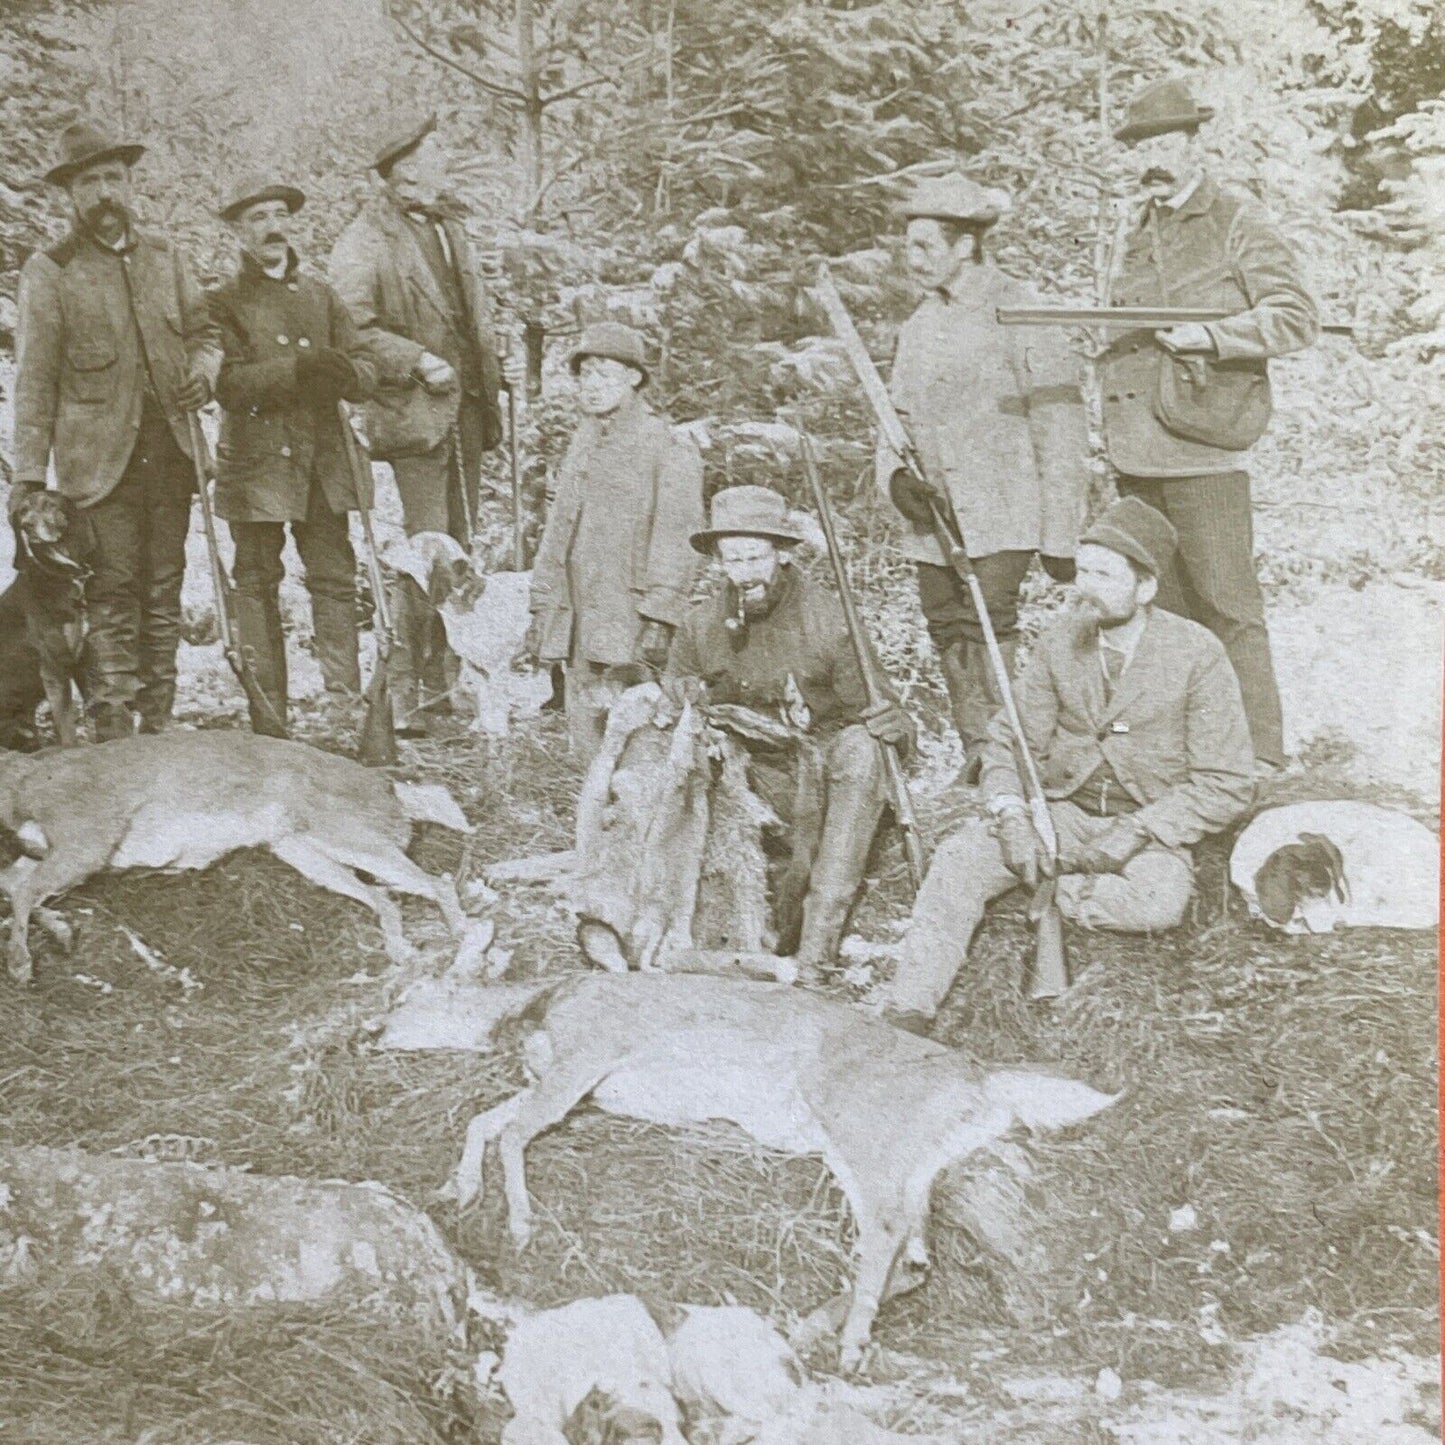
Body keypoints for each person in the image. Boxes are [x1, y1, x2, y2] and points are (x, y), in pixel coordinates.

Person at [880, 496, 1255, 1032]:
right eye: (1083, 571)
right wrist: (1010, 815)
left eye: (1104, 574)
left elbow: (1227, 781)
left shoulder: (1198, 654)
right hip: (1058, 812)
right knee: (959, 860)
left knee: (1157, 901)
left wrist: (1140, 829)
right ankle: (909, 1009)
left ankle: (1048, 890)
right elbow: (1009, 741)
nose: (1086, 586)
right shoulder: (1060, 642)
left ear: (1145, 588)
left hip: (1145, 828)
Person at [1102, 77, 1319, 775]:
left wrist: (1210, 336)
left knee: (1228, 607)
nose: (1153, 158)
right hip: (1136, 452)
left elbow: (1293, 316)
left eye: (1165, 141)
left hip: (1202, 450)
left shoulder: (1234, 217)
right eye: (1141, 146)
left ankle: (1258, 758)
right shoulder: (1136, 228)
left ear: (1194, 141)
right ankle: (1186, 756)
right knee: (1161, 614)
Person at [10, 121, 221, 741]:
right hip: (97, 467)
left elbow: (205, 333)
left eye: (114, 178)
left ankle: (156, 723)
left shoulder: (168, 257)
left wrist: (205, 373)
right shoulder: (51, 271)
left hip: (171, 451)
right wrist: (27, 474)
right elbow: (35, 381)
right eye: (90, 181)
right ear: (69, 194)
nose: (105, 192)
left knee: (164, 591)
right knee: (110, 594)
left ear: (130, 185)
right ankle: (112, 728)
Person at [879, 171, 1087, 782]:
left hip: (1003, 513)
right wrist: (894, 480)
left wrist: (1061, 536)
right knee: (946, 627)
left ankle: (1016, 757)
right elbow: (892, 418)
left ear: (965, 244)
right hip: (932, 516)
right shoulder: (918, 326)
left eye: (925, 245)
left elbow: (1061, 425)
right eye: (907, 245)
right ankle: (980, 754)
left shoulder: (1021, 310)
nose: (911, 259)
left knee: (987, 627)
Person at [667, 485, 917, 972]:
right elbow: (676, 683)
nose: (742, 575)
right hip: (746, 777)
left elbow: (888, 718)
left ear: (781, 553)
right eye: (731, 561)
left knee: (864, 750)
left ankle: (817, 946)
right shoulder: (701, 624)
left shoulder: (828, 619)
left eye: (754, 559)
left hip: (820, 775)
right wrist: (682, 695)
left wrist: (894, 723)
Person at [209, 174, 377, 735]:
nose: (272, 227)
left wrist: (348, 373)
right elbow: (226, 384)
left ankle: (344, 707)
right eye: (257, 218)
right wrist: (297, 370)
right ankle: (269, 715)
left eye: (279, 214)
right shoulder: (222, 301)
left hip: (324, 464)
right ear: (237, 230)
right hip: (258, 466)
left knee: (334, 577)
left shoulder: (321, 294)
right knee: (256, 582)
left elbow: (365, 366)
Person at [524, 322, 704, 760]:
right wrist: (542, 599)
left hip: (631, 617)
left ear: (634, 378)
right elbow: (559, 530)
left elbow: (678, 539)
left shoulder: (666, 445)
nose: (591, 385)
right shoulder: (584, 441)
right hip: (578, 614)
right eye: (584, 374)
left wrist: (660, 616)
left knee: (638, 733)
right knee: (586, 735)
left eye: (604, 373)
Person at [328, 112, 506, 544]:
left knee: (461, 543)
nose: (448, 157)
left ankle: (447, 616)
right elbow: (350, 328)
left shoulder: (450, 228)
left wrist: (496, 366)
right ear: (406, 169)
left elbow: (465, 315)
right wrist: (418, 361)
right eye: (437, 150)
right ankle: (416, 615)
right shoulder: (365, 238)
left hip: (468, 406)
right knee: (430, 545)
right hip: (416, 411)